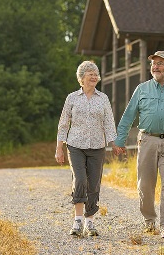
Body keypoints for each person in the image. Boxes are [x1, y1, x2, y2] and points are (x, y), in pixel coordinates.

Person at [114, 50, 164, 239]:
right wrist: (120, 140)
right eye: (154, 63)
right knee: (145, 185)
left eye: (160, 63)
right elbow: (128, 116)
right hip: (147, 140)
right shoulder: (141, 89)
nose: (156, 66)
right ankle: (149, 220)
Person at [56, 60, 124, 237]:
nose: (94, 76)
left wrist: (114, 143)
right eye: (90, 74)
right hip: (75, 145)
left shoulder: (103, 98)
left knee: (93, 184)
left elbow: (109, 123)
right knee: (80, 180)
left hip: (97, 147)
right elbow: (63, 124)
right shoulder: (72, 98)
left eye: (96, 74)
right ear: (82, 78)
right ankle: (77, 221)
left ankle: (90, 222)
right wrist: (59, 148)